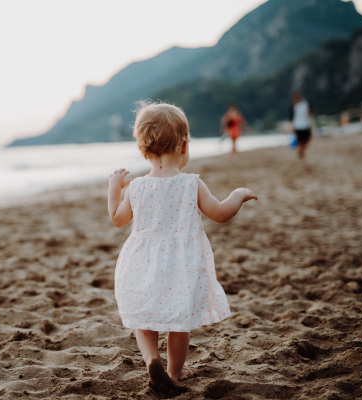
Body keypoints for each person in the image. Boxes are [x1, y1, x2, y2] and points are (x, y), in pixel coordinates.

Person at [107, 101, 258, 390]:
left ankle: (152, 360)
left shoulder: (137, 187)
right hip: (182, 266)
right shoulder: (191, 184)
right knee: (179, 323)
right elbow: (221, 214)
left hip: (142, 263)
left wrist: (114, 187)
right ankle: (174, 374)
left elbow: (117, 219)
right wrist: (238, 194)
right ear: (184, 146)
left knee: (145, 318)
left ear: (143, 150)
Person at [289, 92, 312, 159]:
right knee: (300, 141)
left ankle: (301, 150)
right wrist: (291, 127)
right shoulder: (293, 107)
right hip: (297, 127)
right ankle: (301, 152)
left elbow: (309, 113)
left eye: (298, 97)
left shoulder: (305, 104)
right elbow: (291, 118)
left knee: (307, 140)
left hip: (306, 125)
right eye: (295, 98)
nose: (297, 99)